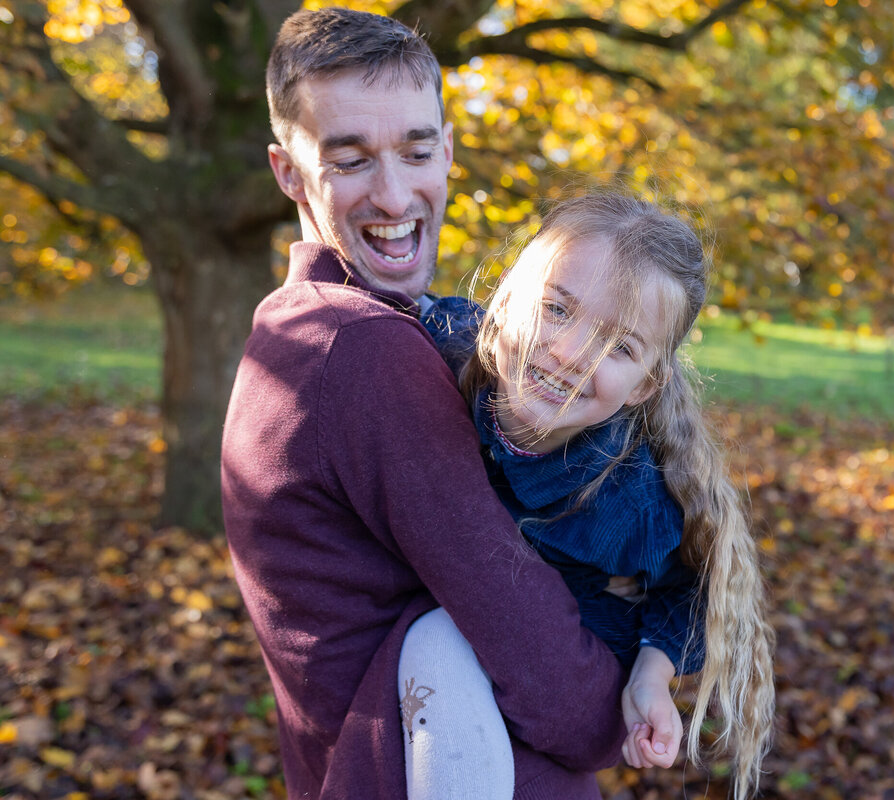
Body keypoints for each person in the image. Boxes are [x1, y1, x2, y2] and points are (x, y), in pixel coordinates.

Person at [220, 8, 627, 799]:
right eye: (350, 160)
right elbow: (527, 638)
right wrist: (613, 710)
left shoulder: (292, 327)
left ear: (448, 147)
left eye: (415, 150)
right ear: (289, 173)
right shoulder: (359, 350)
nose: (394, 193)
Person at [417, 192, 777, 800]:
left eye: (620, 348)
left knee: (437, 642)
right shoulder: (435, 349)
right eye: (556, 308)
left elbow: (694, 589)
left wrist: (651, 677)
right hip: (454, 610)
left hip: (570, 646)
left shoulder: (628, 505)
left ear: (645, 386)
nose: (570, 354)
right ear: (505, 300)